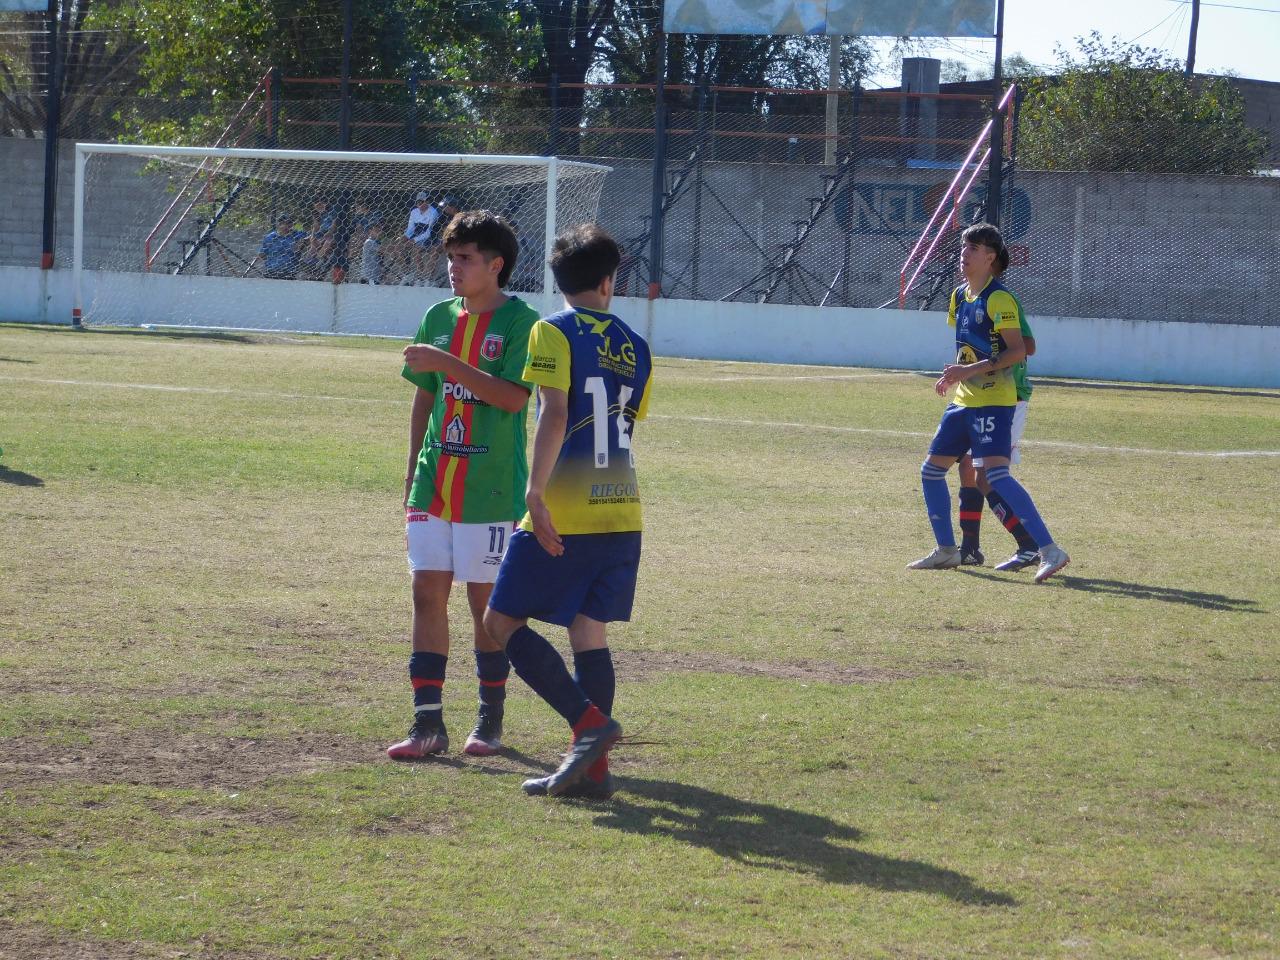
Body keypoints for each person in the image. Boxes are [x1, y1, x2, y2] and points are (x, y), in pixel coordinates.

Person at [483, 224, 653, 800]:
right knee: (589, 631)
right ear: (609, 283)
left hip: (566, 509)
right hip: (622, 509)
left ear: (560, 282)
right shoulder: (637, 344)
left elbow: (555, 412)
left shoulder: (550, 332)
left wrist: (535, 492)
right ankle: (593, 772)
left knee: (500, 622)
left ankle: (589, 728)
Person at [387, 210, 540, 762]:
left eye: (466, 259)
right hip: (435, 483)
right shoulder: (437, 317)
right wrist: (411, 469)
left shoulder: (523, 323)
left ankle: (489, 721)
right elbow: (425, 396)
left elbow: (513, 398)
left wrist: (446, 362)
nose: (454, 268)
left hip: (492, 489)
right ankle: (427, 723)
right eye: (451, 257)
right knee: (426, 592)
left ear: (496, 266)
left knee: (485, 607)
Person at [907, 222, 1069, 584]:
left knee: (993, 475)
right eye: (963, 248)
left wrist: (971, 370)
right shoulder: (958, 296)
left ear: (991, 258)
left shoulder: (999, 298)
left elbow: (1019, 350)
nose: (963, 255)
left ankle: (1048, 550)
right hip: (964, 400)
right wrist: (954, 374)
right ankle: (948, 550)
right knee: (932, 470)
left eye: (973, 249)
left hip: (995, 400)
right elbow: (969, 347)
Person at [955, 314, 1042, 571]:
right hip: (984, 396)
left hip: (1009, 397)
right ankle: (970, 547)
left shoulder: (1004, 301)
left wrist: (994, 351)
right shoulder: (970, 300)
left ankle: (1028, 545)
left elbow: (1029, 346)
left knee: (988, 476)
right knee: (968, 467)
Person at [252, 214, 307, 279]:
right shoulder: (270, 237)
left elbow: (311, 236)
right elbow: (262, 254)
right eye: (283, 223)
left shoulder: (297, 235)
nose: (286, 226)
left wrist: (302, 242)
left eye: (289, 223)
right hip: (271, 272)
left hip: (289, 273)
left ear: (292, 224)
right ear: (279, 224)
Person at [359, 220, 384, 285]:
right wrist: (396, 247)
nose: (379, 233)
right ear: (370, 231)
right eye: (376, 231)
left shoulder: (377, 242)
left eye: (380, 231)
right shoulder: (369, 242)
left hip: (375, 277)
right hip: (368, 278)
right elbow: (383, 250)